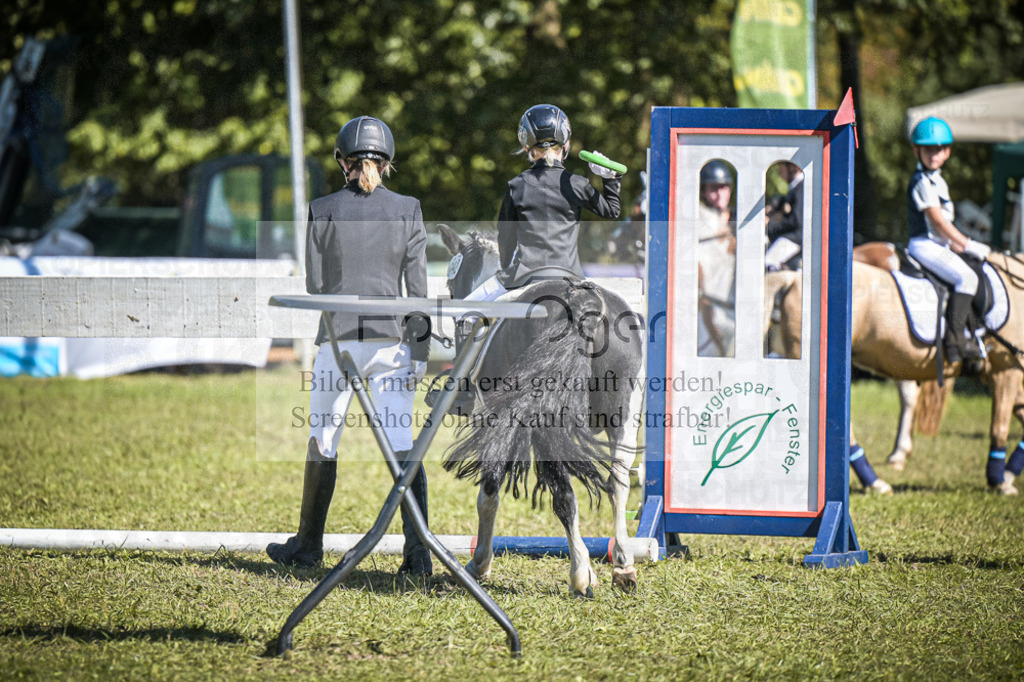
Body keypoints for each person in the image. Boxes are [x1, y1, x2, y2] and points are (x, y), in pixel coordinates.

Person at [266, 116, 434, 576]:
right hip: (392, 344)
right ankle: (418, 558)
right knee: (402, 444)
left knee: (324, 438)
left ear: (342, 161)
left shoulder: (322, 210)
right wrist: (419, 353)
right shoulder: (409, 208)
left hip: (338, 343)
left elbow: (317, 285)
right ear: (388, 162)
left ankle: (307, 548)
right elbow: (417, 290)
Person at [464, 103, 622, 302]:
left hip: (524, 275)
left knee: (465, 311)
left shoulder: (517, 186)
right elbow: (612, 210)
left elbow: (506, 236)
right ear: (565, 144)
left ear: (526, 146)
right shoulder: (577, 183)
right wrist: (610, 178)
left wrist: (505, 266)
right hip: (571, 276)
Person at [906, 115, 989, 363]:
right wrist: (967, 243)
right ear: (916, 150)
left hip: (938, 244)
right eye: (928, 148)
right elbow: (939, 223)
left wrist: (961, 245)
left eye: (939, 148)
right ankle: (955, 343)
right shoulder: (921, 181)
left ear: (947, 152)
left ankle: (974, 332)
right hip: (924, 244)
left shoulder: (938, 181)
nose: (934, 153)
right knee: (967, 277)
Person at [696, 160, 736, 356]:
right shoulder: (698, 218)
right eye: (714, 188)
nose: (720, 194)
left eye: (724, 188)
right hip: (707, 298)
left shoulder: (739, 217)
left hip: (734, 299)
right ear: (703, 191)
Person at [765, 161, 804, 271]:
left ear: (794, 167)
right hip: (795, 236)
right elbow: (783, 199)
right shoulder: (795, 188)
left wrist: (771, 226)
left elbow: (796, 220)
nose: (779, 174)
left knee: (769, 261)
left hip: (796, 238)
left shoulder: (801, 187)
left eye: (781, 170)